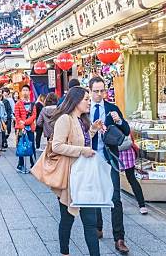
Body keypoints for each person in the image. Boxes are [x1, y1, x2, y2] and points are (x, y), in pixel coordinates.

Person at [50, 87, 101, 256]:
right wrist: (82, 151)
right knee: (67, 219)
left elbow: (82, 141)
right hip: (70, 177)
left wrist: (92, 130)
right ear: (76, 100)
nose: (89, 102)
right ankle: (64, 252)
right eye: (86, 99)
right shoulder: (65, 119)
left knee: (90, 221)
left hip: (85, 176)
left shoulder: (82, 120)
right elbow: (57, 146)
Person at [88, 77, 129, 254]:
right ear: (89, 91)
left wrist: (119, 121)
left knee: (115, 198)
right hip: (91, 158)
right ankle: (98, 226)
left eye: (102, 91)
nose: (99, 94)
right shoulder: (84, 110)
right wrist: (92, 129)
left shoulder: (112, 108)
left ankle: (119, 238)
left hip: (110, 157)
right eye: (96, 91)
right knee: (95, 195)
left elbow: (126, 131)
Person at [14, 85, 37, 174]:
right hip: (21, 129)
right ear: (21, 92)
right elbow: (17, 116)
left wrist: (25, 122)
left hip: (30, 128)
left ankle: (33, 164)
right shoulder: (18, 104)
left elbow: (34, 115)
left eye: (27, 90)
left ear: (30, 92)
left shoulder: (32, 104)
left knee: (31, 145)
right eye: (23, 90)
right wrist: (22, 126)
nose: (25, 92)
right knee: (21, 146)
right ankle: (20, 165)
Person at [119, 145, 148, 215]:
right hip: (129, 153)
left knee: (114, 180)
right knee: (132, 179)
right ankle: (142, 205)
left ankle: (117, 207)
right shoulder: (127, 133)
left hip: (115, 154)